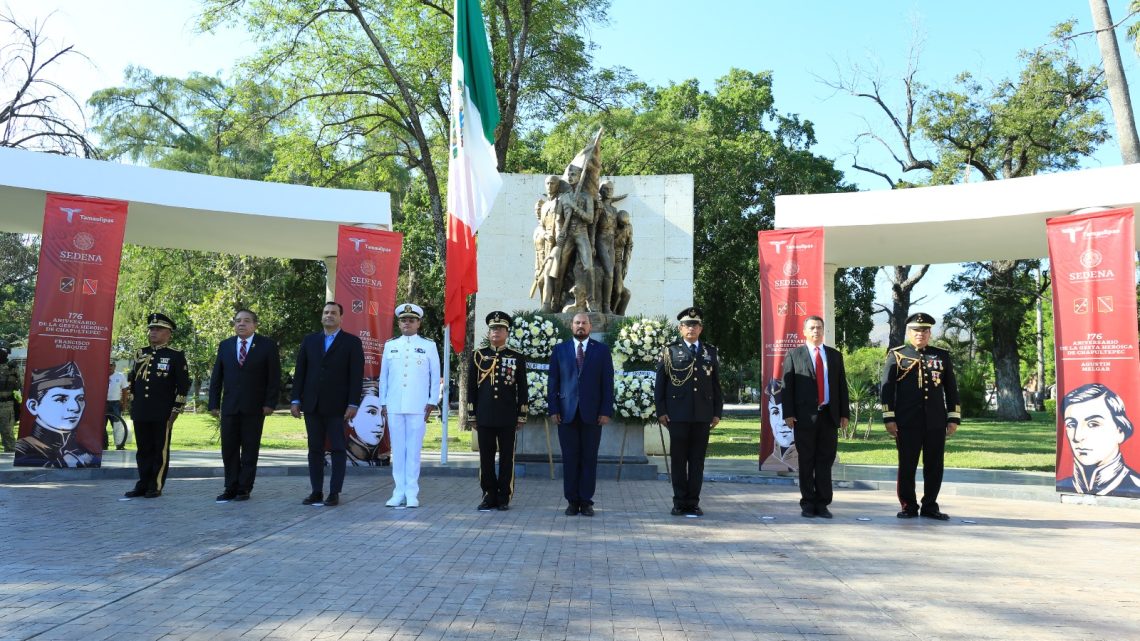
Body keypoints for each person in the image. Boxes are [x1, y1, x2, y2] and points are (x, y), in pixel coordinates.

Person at [880, 312, 960, 520]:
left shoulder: (941, 356)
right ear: (909, 332)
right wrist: (889, 418)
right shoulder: (897, 355)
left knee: (934, 465)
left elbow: (951, 390)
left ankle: (930, 505)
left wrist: (953, 418)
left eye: (924, 330)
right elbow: (886, 389)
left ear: (929, 333)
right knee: (907, 464)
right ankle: (908, 505)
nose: (920, 334)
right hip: (907, 422)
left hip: (935, 421)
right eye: (916, 330)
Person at [291, 302, 364, 507]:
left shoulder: (352, 342)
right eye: (325, 312)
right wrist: (296, 399)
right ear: (322, 316)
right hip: (312, 405)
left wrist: (353, 404)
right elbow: (300, 372)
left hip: (338, 406)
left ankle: (334, 492)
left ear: (341, 317)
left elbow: (355, 376)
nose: (329, 315)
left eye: (333, 313)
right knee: (314, 449)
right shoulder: (309, 341)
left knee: (338, 449)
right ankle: (316, 491)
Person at [654, 306, 723, 517]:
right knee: (678, 460)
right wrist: (661, 411)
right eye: (686, 325)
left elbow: (716, 384)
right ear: (680, 328)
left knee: (697, 461)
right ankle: (679, 501)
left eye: (694, 325)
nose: (690, 329)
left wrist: (717, 412)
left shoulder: (709, 351)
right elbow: (660, 385)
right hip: (677, 414)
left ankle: (693, 502)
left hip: (702, 415)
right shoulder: (670, 351)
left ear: (700, 328)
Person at [208, 309, 281, 503]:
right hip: (230, 407)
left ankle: (244, 488)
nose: (241, 324)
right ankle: (230, 486)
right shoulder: (225, 345)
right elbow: (217, 377)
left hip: (255, 407)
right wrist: (213, 403)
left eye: (247, 321)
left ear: (255, 324)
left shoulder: (267, 346)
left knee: (250, 448)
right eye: (238, 321)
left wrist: (270, 403)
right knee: (229, 449)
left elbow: (274, 378)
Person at [781, 315, 850, 519]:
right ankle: (808, 503)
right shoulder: (794, 355)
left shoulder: (835, 356)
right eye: (811, 328)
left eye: (819, 327)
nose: (816, 331)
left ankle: (823, 503)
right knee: (807, 461)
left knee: (825, 461)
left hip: (829, 416)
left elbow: (841, 387)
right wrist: (788, 413)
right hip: (803, 417)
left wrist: (844, 413)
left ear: (823, 330)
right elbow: (787, 388)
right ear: (804, 331)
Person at [548, 312, 614, 516]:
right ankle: (571, 501)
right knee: (569, 458)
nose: (580, 326)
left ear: (590, 327)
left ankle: (586, 501)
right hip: (566, 414)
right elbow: (553, 383)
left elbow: (607, 383)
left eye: (584, 323)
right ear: (571, 325)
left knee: (589, 458)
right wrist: (554, 409)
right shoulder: (559, 350)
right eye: (577, 323)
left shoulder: (602, 351)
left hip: (593, 415)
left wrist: (605, 411)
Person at [378, 303, 440, 508]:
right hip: (395, 404)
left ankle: (412, 492)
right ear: (399, 322)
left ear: (418, 323)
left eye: (411, 320)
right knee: (398, 449)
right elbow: (384, 377)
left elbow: (434, 376)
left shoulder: (428, 345)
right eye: (404, 320)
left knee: (413, 450)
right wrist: (383, 402)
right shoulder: (390, 345)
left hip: (418, 405)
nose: (407, 323)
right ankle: (398, 492)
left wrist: (432, 401)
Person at [466, 311, 528, 511]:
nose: (496, 332)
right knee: (485, 458)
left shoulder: (516, 357)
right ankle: (488, 494)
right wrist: (472, 413)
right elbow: (471, 388)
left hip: (507, 416)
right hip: (484, 416)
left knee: (507, 458)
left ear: (507, 332)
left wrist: (521, 414)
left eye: (500, 328)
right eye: (493, 328)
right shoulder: (478, 355)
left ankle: (504, 496)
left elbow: (523, 388)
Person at [126, 313, 191, 498]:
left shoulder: (175, 356)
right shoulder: (140, 353)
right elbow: (133, 381)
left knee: (159, 449)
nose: (153, 332)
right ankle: (143, 483)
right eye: (151, 329)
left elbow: (182, 386)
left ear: (168, 333)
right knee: (143, 449)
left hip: (162, 411)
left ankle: (155, 484)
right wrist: (132, 403)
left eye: (158, 329)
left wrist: (176, 410)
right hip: (141, 409)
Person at [1057, 383, 1140, 497]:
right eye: (1071, 424)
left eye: (1093, 424)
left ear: (1120, 431)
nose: (1077, 437)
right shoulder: (1063, 485)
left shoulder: (1136, 487)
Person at [14, 361, 97, 467]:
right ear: (33, 406)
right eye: (61, 399)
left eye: (80, 398)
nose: (75, 408)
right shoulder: (24, 451)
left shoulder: (84, 452)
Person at [760, 378, 799, 471]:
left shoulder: (819, 460)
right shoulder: (767, 464)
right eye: (775, 412)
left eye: (788, 412)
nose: (782, 422)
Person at [346, 388, 387, 466]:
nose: (380, 423)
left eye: (383, 414)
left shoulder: (383, 460)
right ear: (351, 419)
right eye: (372, 412)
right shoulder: (336, 458)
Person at [105, 359, 128, 450]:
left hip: (115, 403)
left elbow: (125, 390)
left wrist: (124, 403)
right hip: (103, 404)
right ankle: (103, 445)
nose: (110, 367)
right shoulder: (101, 374)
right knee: (101, 426)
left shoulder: (120, 376)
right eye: (108, 365)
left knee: (117, 425)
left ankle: (119, 445)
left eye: (112, 365)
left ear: (115, 366)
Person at [0, 341, 19, 452]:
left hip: (6, 405)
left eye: (3, 350)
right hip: (7, 406)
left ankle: (11, 466)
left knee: (8, 438)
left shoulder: (13, 368)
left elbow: (21, 385)